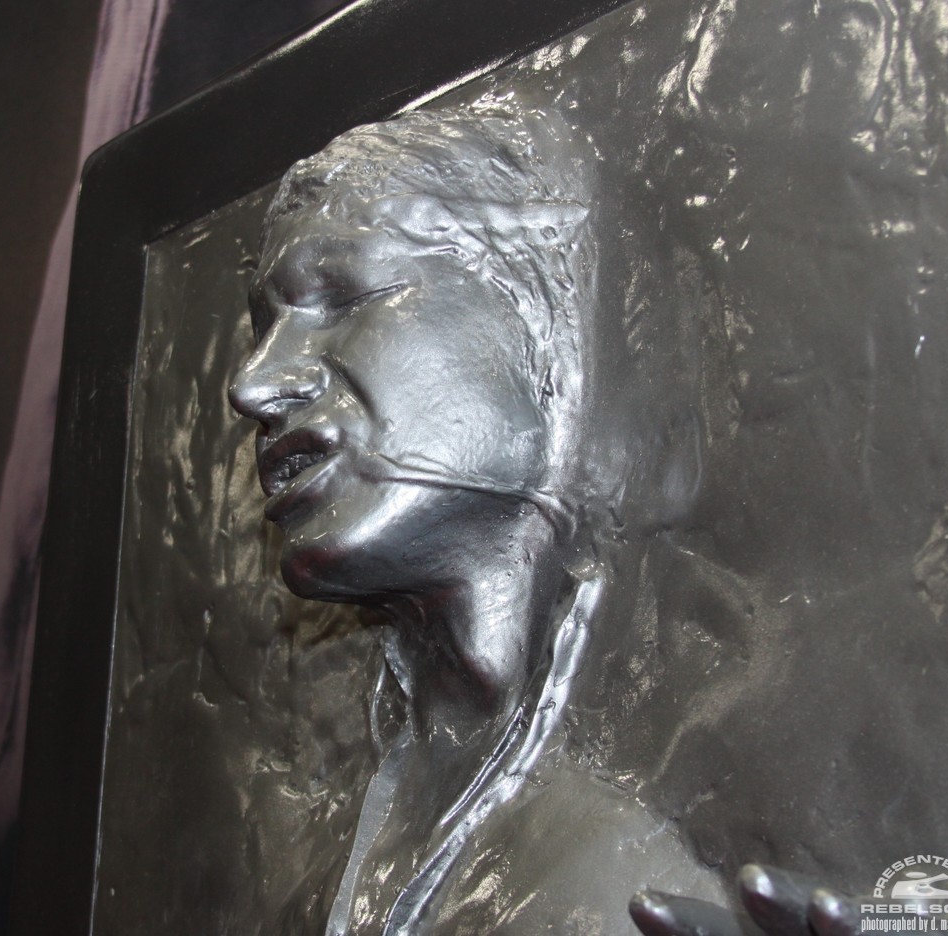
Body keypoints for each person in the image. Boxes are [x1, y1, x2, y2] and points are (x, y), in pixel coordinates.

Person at [229, 95, 723, 934]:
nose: (253, 384)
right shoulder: (314, 849)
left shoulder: (662, 840)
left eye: (342, 296)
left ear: (548, 335)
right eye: (265, 329)